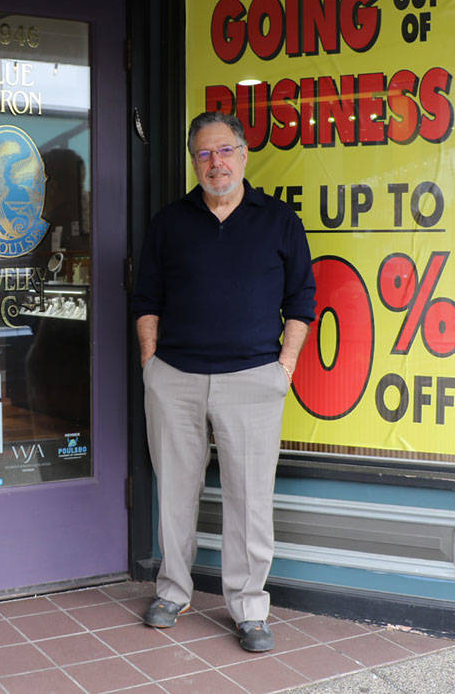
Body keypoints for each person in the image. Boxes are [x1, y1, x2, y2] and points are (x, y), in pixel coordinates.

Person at [131, 111, 315, 652]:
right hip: (175, 380)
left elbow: (301, 302)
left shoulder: (279, 221)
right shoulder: (169, 222)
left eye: (225, 151)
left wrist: (284, 367)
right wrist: (151, 365)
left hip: (253, 380)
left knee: (250, 499)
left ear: (244, 153)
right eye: (205, 154)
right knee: (176, 493)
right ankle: (173, 590)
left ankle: (249, 608)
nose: (216, 163)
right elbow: (146, 301)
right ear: (194, 161)